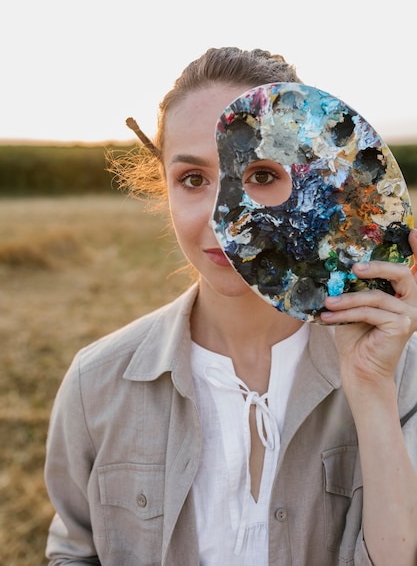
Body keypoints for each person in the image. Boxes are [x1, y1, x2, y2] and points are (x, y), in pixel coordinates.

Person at [44, 47, 417, 566]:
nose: (227, 221)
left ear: (311, 184)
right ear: (166, 188)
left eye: (262, 176)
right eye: (194, 180)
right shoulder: (96, 383)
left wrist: (372, 390)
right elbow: (73, 553)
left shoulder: (402, 371)